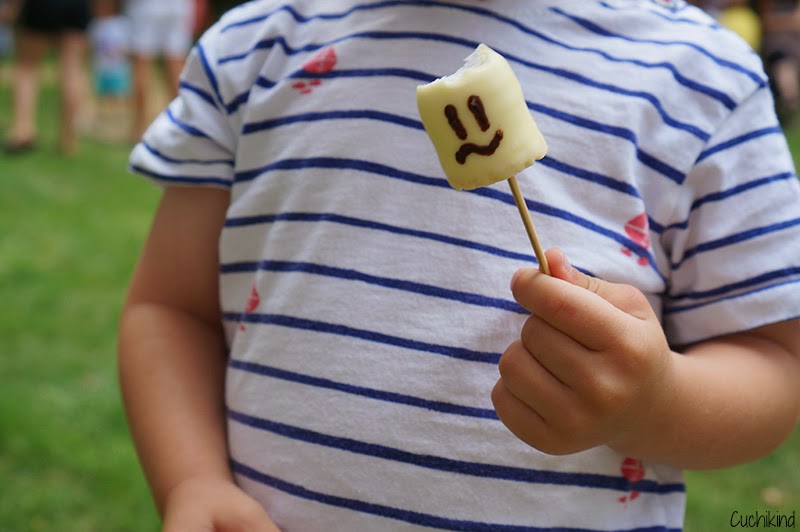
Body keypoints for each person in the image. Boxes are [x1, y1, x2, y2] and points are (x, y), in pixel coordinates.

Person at [119, 1, 800, 531]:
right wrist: (192, 481)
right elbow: (170, 309)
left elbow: (775, 362)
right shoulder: (251, 47)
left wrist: (655, 402)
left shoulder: (702, 77)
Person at [4, 0, 91, 154]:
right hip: (78, 4)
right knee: (72, 68)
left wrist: (12, 6)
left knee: (27, 66)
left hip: (43, 4)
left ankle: (22, 130)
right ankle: (68, 140)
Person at [125, 0, 195, 141]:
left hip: (146, 6)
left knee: (141, 64)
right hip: (179, 5)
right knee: (176, 66)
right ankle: (180, 126)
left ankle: (138, 128)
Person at [87, 0, 131, 141]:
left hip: (118, 69)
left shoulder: (121, 24)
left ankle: (119, 117)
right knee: (102, 94)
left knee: (118, 94)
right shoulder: (95, 24)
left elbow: (127, 45)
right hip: (101, 68)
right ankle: (101, 118)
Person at [757, 0, 800, 121]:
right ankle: (787, 105)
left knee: (784, 66)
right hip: (772, 48)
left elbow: (797, 22)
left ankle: (789, 104)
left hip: (792, 48)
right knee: (781, 65)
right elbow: (765, 21)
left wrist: (775, 21)